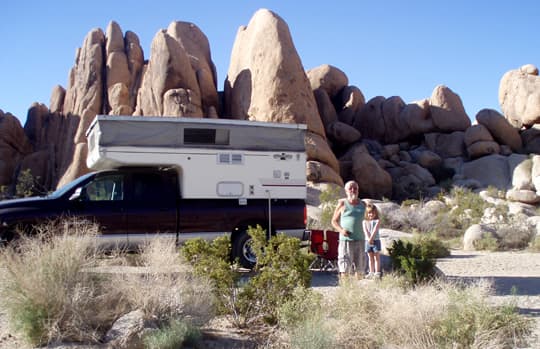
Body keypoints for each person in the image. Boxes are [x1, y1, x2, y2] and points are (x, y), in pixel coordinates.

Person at [331, 180, 367, 279]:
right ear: (346, 191)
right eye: (350, 188)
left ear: (358, 190)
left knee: (360, 268)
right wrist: (341, 230)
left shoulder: (363, 205)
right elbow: (334, 221)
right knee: (344, 267)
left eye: (355, 188)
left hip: (360, 240)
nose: (353, 190)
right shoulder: (342, 204)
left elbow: (370, 220)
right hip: (346, 241)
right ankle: (345, 290)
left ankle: (357, 291)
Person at [363, 203, 381, 279]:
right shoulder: (364, 221)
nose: (371, 214)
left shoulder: (377, 221)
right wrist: (368, 239)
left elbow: (375, 230)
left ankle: (377, 273)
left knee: (376, 257)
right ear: (367, 213)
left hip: (375, 240)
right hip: (367, 241)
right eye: (369, 213)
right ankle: (371, 272)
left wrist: (371, 239)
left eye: (373, 213)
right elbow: (365, 230)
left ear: (375, 213)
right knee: (370, 258)